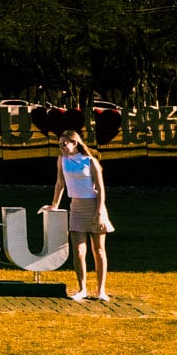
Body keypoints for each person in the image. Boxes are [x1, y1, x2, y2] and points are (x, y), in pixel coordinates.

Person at [41, 129, 114, 302]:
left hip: (94, 206)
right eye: (59, 144)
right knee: (79, 251)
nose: (62, 147)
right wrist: (54, 205)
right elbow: (60, 184)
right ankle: (82, 289)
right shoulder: (62, 160)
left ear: (75, 143)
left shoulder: (90, 161)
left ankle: (101, 290)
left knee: (98, 250)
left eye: (64, 144)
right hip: (76, 208)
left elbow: (101, 189)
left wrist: (99, 213)